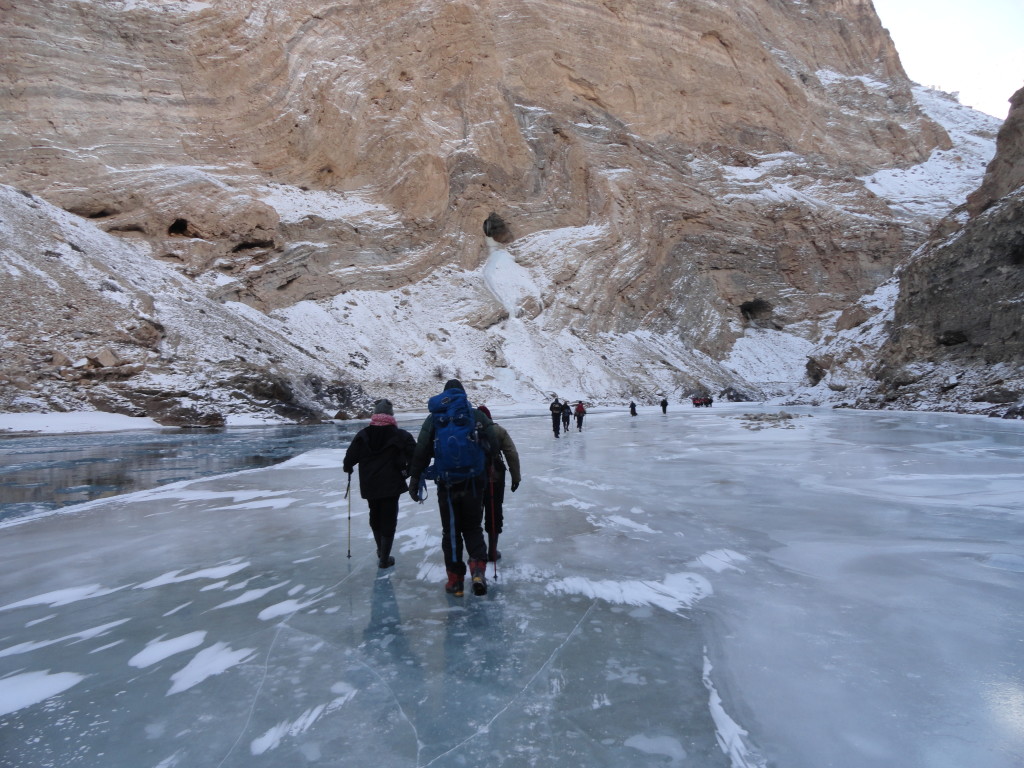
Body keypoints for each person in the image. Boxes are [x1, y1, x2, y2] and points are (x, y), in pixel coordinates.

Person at [409, 379, 495, 597]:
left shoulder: (435, 418)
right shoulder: (475, 416)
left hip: (447, 485)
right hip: (474, 483)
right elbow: (493, 444)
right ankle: (477, 572)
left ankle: (455, 582)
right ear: (463, 395)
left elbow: (421, 451)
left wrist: (414, 479)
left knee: (451, 532)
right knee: (473, 528)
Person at [343, 399, 416, 569]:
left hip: (370, 484)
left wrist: (348, 468)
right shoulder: (401, 435)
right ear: (391, 415)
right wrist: (408, 472)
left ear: (375, 414)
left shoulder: (363, 434)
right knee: (389, 518)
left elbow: (349, 458)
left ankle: (380, 550)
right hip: (391, 484)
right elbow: (415, 454)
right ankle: (384, 557)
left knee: (374, 515)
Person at [476, 405, 521, 562]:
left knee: (475, 515)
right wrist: (516, 477)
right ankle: (492, 551)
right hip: (494, 478)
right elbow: (511, 453)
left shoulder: (467, 431)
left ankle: (477, 552)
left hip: (473, 480)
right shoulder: (498, 431)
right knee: (494, 512)